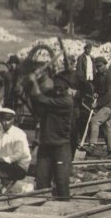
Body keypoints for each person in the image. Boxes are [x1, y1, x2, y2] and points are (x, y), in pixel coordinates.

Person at [25, 70, 75, 199]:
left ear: (66, 89)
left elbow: (39, 98)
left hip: (61, 146)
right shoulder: (52, 95)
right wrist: (34, 81)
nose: (57, 92)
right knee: (41, 181)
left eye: (60, 90)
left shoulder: (66, 101)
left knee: (62, 182)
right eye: (56, 88)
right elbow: (34, 96)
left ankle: (64, 205)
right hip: (46, 145)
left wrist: (34, 81)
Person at [86, 57, 111, 158]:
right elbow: (95, 87)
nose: (98, 68)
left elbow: (109, 94)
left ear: (105, 65)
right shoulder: (98, 76)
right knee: (106, 127)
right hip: (103, 105)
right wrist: (95, 92)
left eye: (100, 66)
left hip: (109, 105)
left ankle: (92, 146)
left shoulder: (110, 76)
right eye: (97, 67)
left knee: (94, 121)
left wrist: (97, 104)